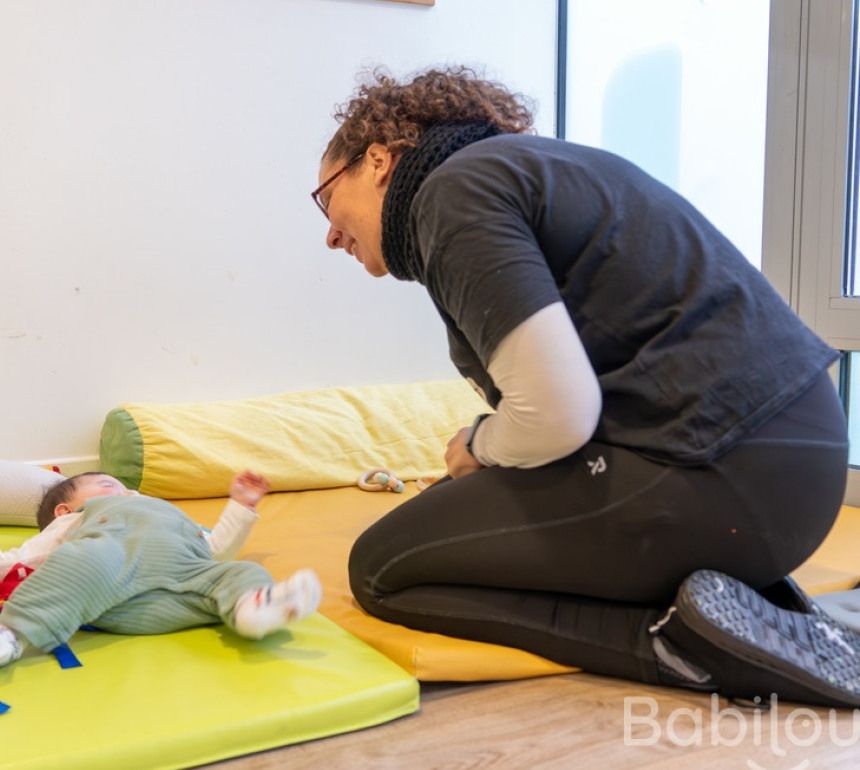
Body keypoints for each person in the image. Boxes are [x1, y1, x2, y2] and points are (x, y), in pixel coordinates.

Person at [316, 66, 855, 707]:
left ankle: (672, 642)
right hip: (799, 460)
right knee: (461, 511)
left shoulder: (451, 196)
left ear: (378, 160)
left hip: (722, 471)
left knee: (381, 567)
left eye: (326, 197)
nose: (330, 234)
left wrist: (480, 445)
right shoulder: (523, 169)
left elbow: (557, 416)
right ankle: (759, 612)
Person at [0, 470, 321, 668]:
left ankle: (251, 608)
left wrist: (241, 505)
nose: (126, 492)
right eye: (108, 485)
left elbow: (216, 551)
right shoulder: (75, 521)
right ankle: (11, 637)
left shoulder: (169, 514)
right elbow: (19, 560)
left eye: (127, 488)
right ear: (66, 510)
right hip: (113, 587)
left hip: (180, 590)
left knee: (235, 572)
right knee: (80, 563)